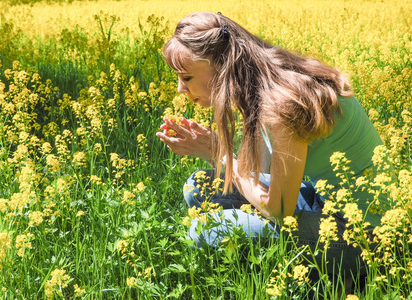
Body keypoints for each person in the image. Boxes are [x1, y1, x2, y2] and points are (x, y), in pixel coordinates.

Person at [155, 12, 388, 275]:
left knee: (204, 229)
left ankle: (326, 278)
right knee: (197, 187)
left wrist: (218, 152)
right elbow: (261, 172)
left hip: (369, 236)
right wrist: (214, 149)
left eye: (186, 78)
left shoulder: (283, 104)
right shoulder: (264, 85)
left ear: (221, 68)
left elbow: (278, 209)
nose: (179, 89)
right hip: (325, 202)